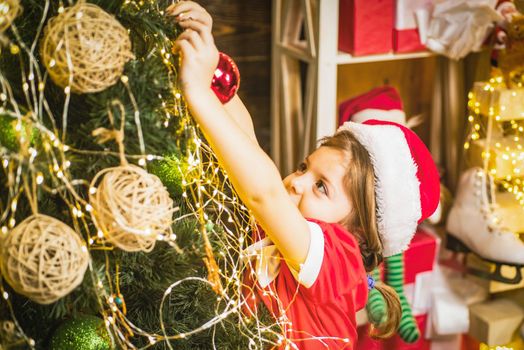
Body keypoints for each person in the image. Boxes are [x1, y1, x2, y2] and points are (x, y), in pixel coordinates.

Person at [167, 2, 440, 349]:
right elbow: (248, 142)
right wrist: (210, 60)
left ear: (356, 230)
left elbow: (264, 193)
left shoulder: (338, 256)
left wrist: (196, 92)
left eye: (321, 187)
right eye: (303, 167)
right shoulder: (290, 227)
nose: (296, 182)